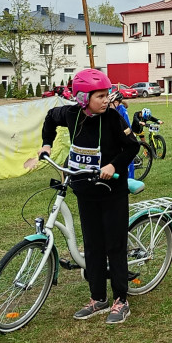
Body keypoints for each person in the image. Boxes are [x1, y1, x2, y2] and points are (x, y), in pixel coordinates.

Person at [27, 68, 140, 325]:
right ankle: (98, 297)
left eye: (107, 94)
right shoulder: (70, 114)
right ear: (81, 98)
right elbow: (49, 118)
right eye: (99, 96)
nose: (106, 99)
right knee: (92, 245)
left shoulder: (112, 118)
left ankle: (121, 300)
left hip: (112, 192)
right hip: (84, 189)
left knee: (115, 245)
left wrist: (113, 166)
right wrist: (47, 143)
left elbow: (132, 146)